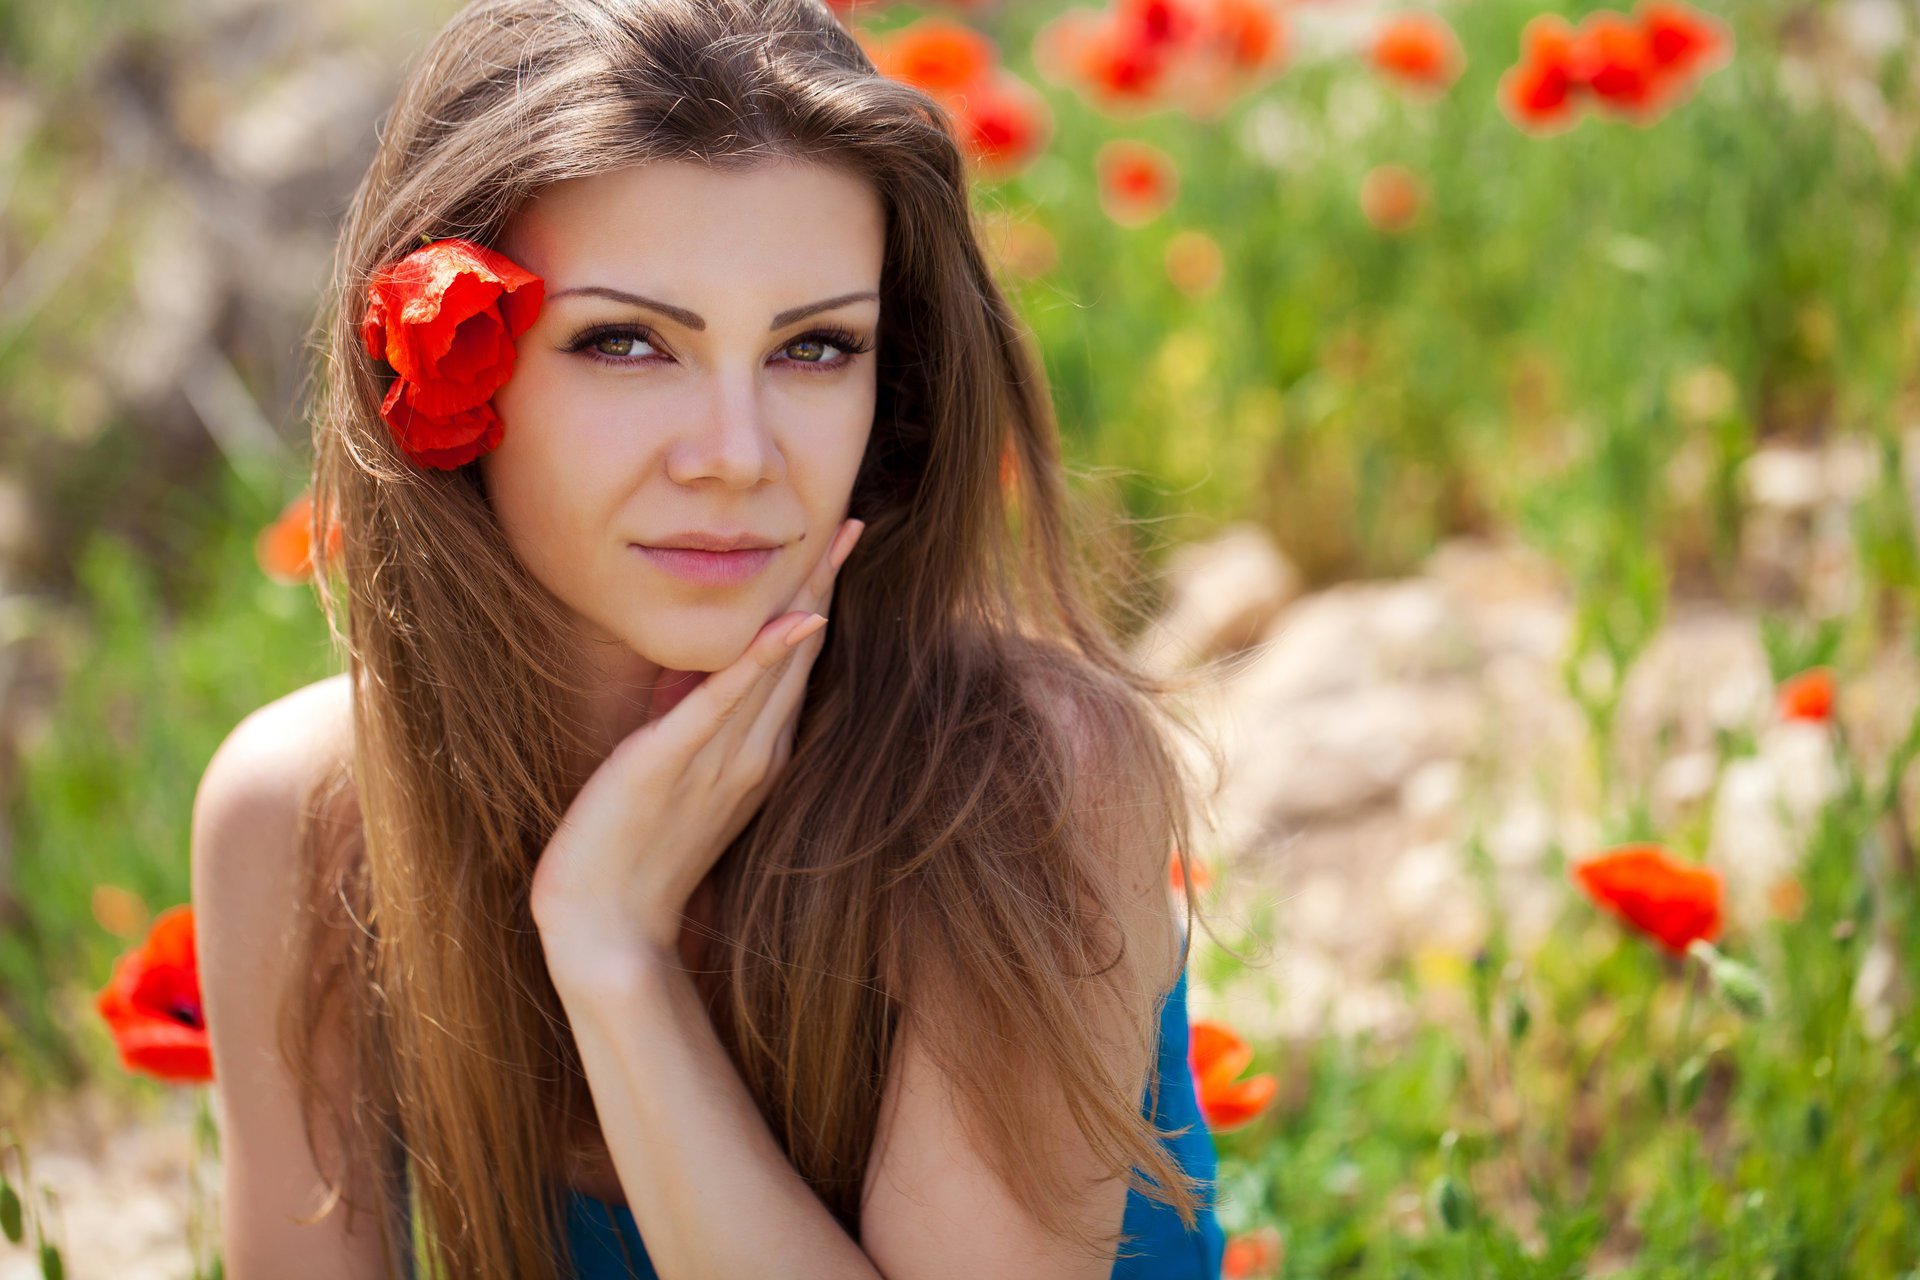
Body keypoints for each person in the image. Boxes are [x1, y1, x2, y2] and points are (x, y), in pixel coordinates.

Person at [190, 1, 1235, 1276]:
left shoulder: (1021, 779)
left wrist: (614, 953)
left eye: (814, 347)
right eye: (626, 342)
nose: (737, 456)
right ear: (454, 371)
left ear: (887, 389)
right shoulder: (304, 814)